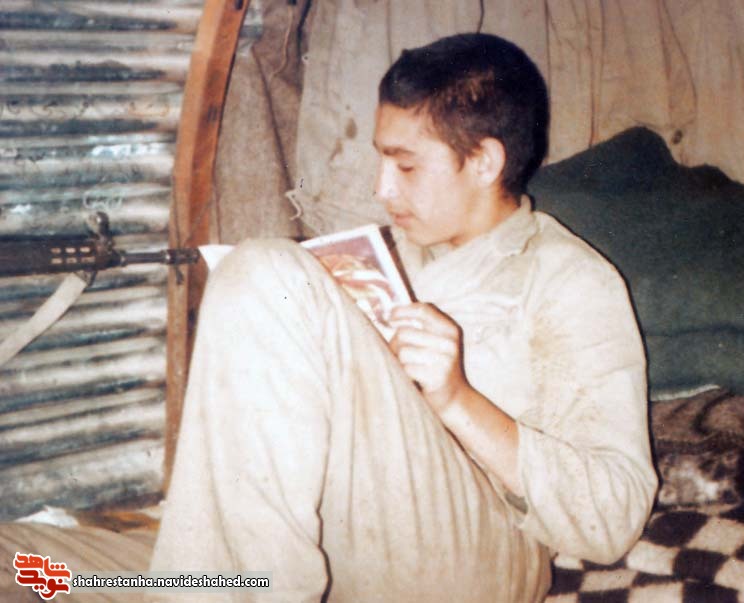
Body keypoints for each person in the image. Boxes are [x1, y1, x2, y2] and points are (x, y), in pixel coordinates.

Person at [149, 33, 657, 602]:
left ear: (484, 162)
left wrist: (457, 400)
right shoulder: (378, 254)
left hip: (480, 560)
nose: (380, 188)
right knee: (67, 565)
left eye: (406, 166)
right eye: (381, 159)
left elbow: (613, 518)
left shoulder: (569, 280)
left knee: (267, 270)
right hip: (344, 545)